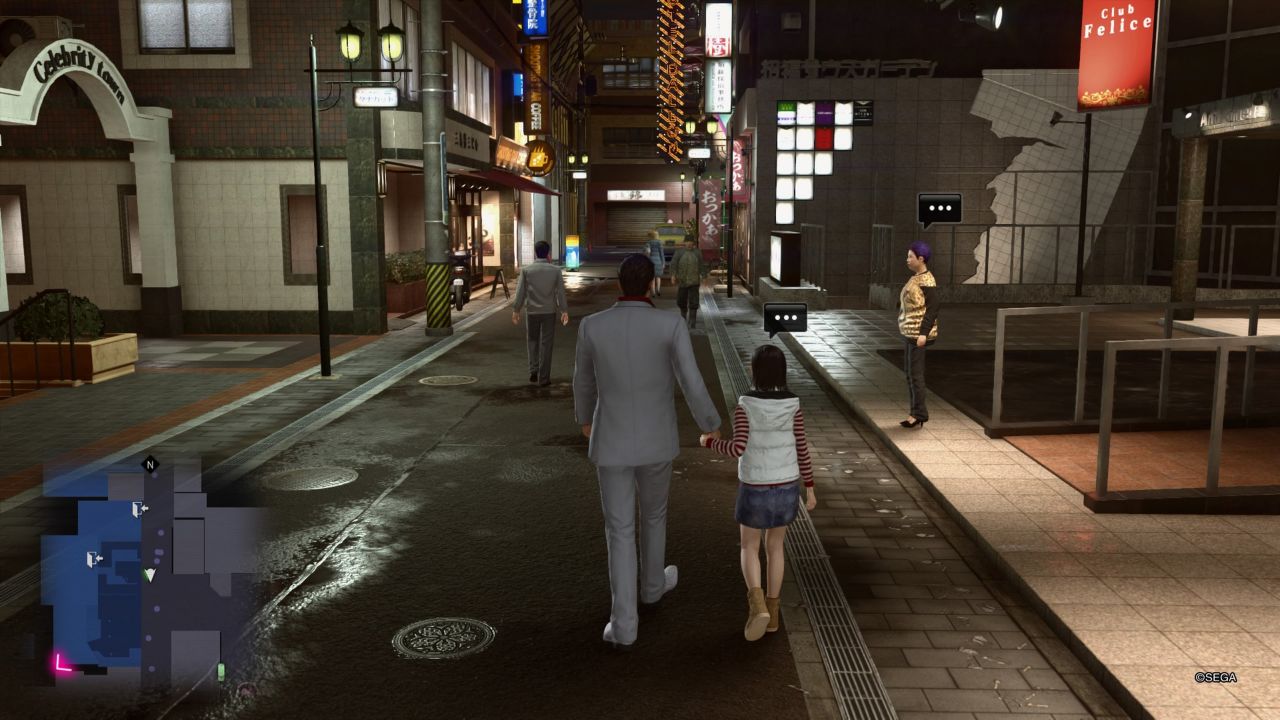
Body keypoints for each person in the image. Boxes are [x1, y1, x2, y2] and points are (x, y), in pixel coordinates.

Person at [573, 253, 723, 650]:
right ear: (652, 283)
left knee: (619, 530)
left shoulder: (593, 326)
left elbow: (583, 381)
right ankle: (653, 587)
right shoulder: (669, 324)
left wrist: (586, 419)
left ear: (620, 283)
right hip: (657, 440)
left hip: (611, 440)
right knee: (654, 515)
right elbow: (691, 380)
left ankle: (624, 625)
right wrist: (709, 422)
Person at [700, 344, 816, 641]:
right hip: (787, 484)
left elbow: (738, 447)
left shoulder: (745, 405)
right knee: (775, 547)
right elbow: (802, 448)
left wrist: (709, 443)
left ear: (754, 370)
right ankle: (773, 615)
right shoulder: (793, 404)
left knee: (749, 546)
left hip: (755, 485)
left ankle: (757, 607)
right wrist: (810, 488)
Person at [511, 240, 569, 387]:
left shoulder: (526, 270)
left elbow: (520, 292)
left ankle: (533, 370)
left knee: (532, 340)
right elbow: (560, 292)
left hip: (532, 311)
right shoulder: (555, 270)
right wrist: (564, 310)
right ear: (548, 253)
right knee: (546, 344)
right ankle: (544, 378)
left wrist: (516, 309)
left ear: (535, 253)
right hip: (549, 311)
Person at [899, 241, 939, 429]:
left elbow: (933, 309)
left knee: (915, 375)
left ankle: (919, 414)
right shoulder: (917, 277)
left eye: (910, 257)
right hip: (910, 331)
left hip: (918, 333)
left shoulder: (927, 281)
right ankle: (915, 412)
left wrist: (924, 333)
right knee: (910, 374)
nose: (907, 260)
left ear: (921, 259)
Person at [670, 237, 702, 329]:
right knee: (681, 300)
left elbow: (701, 264)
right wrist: (673, 275)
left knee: (694, 301)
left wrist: (703, 275)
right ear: (685, 242)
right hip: (682, 280)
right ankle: (683, 318)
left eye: (691, 242)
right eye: (687, 242)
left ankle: (692, 321)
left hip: (694, 281)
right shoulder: (679, 252)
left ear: (693, 243)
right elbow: (674, 264)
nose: (689, 244)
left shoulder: (697, 252)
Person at [646, 231, 666, 296]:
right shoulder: (659, 243)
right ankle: (658, 290)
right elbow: (662, 254)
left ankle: (653, 293)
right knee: (658, 277)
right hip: (659, 261)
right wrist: (663, 263)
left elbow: (647, 253)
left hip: (651, 261)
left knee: (652, 278)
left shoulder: (648, 243)